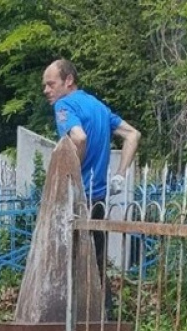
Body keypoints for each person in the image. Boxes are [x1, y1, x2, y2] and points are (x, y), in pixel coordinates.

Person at [42, 59, 141, 317]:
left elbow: (79, 137)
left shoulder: (65, 105)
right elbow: (133, 135)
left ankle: (70, 320)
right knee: (96, 260)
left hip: (76, 199)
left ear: (68, 81)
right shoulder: (98, 106)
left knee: (68, 261)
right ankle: (104, 316)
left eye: (51, 84)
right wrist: (119, 175)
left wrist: (72, 174)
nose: (46, 90)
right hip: (99, 197)